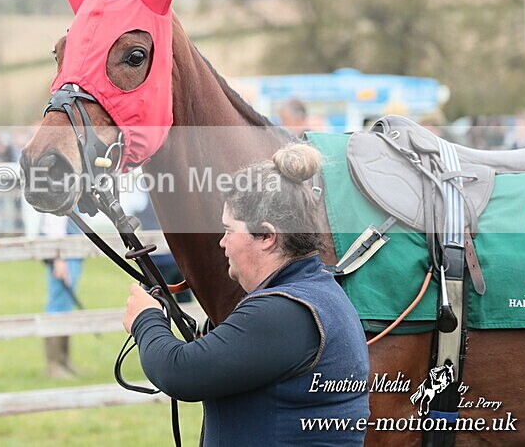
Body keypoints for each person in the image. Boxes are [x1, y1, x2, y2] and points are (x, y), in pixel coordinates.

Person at [123, 143, 370, 446]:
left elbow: (178, 372)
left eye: (229, 229)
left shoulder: (285, 312)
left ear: (266, 236)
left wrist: (145, 318)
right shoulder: (315, 292)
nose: (223, 243)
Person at [42, 212, 84, 379]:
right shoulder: (60, 188)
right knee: (58, 306)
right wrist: (58, 258)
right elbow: (53, 223)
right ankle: (54, 365)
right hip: (64, 256)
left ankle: (63, 362)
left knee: (65, 306)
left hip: (71, 254)